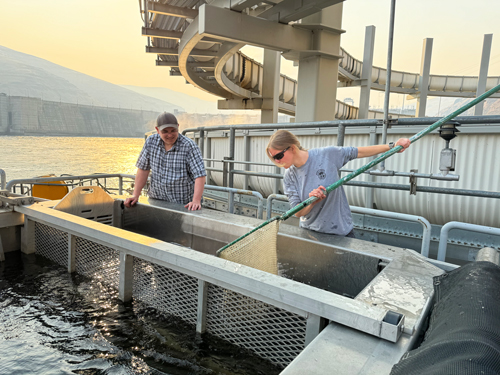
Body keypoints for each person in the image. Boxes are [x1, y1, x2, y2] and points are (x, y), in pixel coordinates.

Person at [266, 129, 411, 237]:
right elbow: (297, 212)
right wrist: (312, 202)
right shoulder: (289, 176)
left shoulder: (326, 155)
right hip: (310, 233)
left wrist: (392, 147)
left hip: (340, 231)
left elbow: (357, 152)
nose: (277, 161)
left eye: (279, 156)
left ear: (292, 148)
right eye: (274, 159)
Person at [124, 112, 206, 210]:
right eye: (165, 131)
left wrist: (196, 201)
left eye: (173, 130)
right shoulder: (150, 142)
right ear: (157, 130)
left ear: (178, 127)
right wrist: (135, 195)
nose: (170, 135)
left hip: (183, 204)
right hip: (156, 200)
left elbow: (200, 175)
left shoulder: (189, 146)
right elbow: (143, 169)